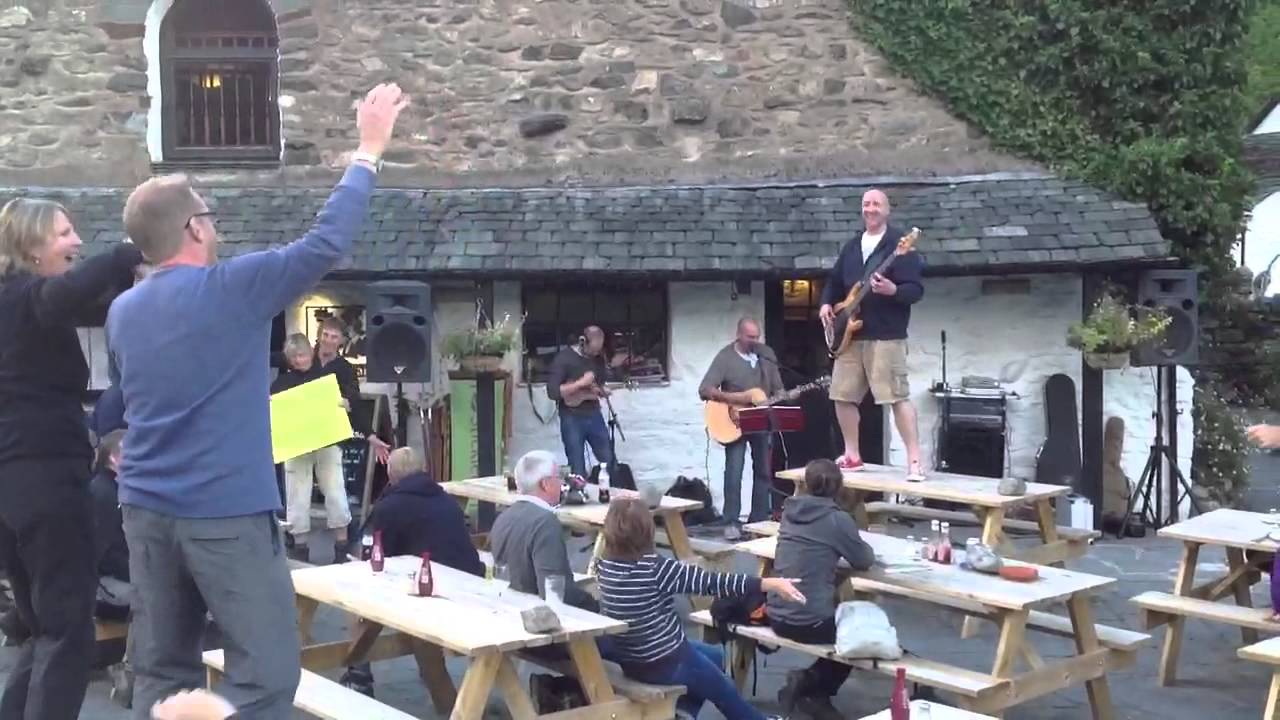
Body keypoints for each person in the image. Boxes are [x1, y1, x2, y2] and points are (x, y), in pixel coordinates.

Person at [106, 83, 408, 720]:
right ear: (192, 228)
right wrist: (368, 149)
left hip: (144, 510)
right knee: (267, 673)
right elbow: (325, 243)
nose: (215, 225)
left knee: (162, 672)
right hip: (224, 512)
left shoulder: (123, 311)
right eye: (209, 215)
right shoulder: (232, 289)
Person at [0, 196, 145, 720]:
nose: (76, 241)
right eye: (64, 233)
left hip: (14, 489)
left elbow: (90, 303)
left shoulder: (18, 303)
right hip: (44, 483)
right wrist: (129, 251)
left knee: (44, 630)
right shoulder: (26, 299)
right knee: (67, 634)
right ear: (33, 246)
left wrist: (142, 287)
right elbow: (68, 295)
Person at [596, 497, 804, 720]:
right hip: (664, 660)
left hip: (631, 657)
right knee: (723, 690)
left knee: (715, 655)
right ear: (646, 531)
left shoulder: (605, 564)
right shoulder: (656, 568)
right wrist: (769, 583)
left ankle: (683, 713)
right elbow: (712, 583)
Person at [340, 446, 482, 696]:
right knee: (421, 638)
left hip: (435, 593)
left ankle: (360, 675)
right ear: (423, 470)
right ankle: (445, 700)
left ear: (391, 474)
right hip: (470, 585)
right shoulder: (446, 500)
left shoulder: (389, 507)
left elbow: (381, 560)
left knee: (357, 603)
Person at [818, 188, 926, 480]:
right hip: (851, 336)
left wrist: (893, 290)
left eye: (876, 204)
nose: (871, 208)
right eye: (866, 204)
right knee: (841, 395)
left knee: (895, 397)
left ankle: (914, 462)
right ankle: (852, 455)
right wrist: (827, 303)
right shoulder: (852, 246)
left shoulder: (900, 246)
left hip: (886, 335)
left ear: (887, 210)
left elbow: (915, 290)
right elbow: (834, 281)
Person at [768, 459, 876, 720]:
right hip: (809, 621)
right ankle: (813, 688)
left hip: (775, 612)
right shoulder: (837, 519)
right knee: (863, 634)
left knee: (837, 612)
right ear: (839, 487)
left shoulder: (789, 512)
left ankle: (808, 684)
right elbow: (864, 560)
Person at [271, 332, 388, 563]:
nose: (299, 361)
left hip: (327, 444)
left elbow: (353, 406)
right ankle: (301, 550)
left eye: (302, 356)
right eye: (294, 358)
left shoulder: (326, 378)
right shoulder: (280, 384)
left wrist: (369, 433)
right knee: (297, 496)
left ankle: (341, 548)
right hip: (297, 448)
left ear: (310, 352)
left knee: (335, 492)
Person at [698, 317, 785, 540]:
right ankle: (731, 521)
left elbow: (778, 389)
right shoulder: (726, 357)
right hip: (733, 421)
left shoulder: (767, 355)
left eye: (757, 337)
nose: (754, 341)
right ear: (739, 334)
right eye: (750, 337)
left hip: (760, 420)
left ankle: (758, 521)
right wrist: (738, 398)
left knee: (764, 471)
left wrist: (778, 397)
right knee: (734, 471)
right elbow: (705, 389)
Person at [489, 450, 596, 611]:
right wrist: (594, 604)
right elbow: (556, 591)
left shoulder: (503, 517)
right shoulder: (545, 523)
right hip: (537, 616)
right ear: (545, 484)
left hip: (507, 607)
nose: (562, 483)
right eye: (558, 477)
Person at [545, 326, 617, 479]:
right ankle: (580, 496)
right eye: (593, 350)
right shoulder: (563, 359)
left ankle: (612, 495)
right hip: (571, 417)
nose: (595, 354)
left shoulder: (598, 359)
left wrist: (601, 391)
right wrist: (580, 383)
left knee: (608, 459)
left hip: (594, 414)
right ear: (582, 342)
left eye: (598, 350)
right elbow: (552, 392)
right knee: (577, 465)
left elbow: (598, 385)